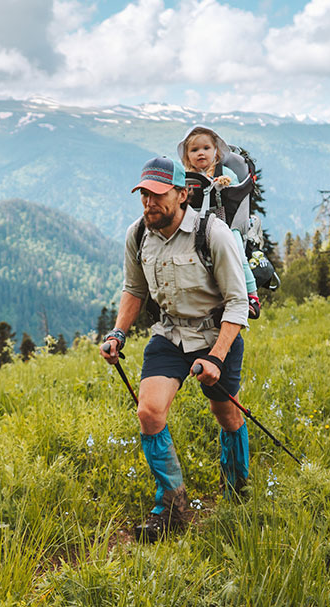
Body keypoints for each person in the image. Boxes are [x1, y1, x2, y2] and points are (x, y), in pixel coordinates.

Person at [100, 155, 251, 544]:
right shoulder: (137, 235)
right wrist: (118, 332)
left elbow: (236, 302)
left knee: (227, 413)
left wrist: (216, 357)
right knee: (149, 411)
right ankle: (171, 504)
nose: (149, 203)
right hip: (169, 334)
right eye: (143, 195)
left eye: (157, 195)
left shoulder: (212, 234)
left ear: (182, 194)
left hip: (216, 333)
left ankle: (237, 488)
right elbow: (134, 289)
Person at [177, 125, 261, 317]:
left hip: (225, 224)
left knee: (238, 254)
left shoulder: (224, 172)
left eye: (206, 148)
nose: (201, 153)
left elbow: (232, 185)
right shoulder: (186, 178)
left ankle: (252, 296)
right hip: (195, 226)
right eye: (194, 150)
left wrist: (222, 182)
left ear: (215, 151)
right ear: (187, 156)